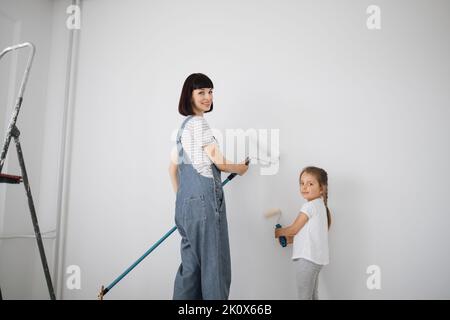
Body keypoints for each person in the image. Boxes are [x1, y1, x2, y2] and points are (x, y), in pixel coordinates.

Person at [169, 73, 249, 300]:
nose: (207, 97)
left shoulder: (182, 130)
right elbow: (220, 163)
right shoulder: (199, 124)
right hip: (205, 206)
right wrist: (241, 169)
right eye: (201, 92)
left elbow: (171, 170)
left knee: (190, 271)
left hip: (185, 209)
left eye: (210, 91)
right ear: (190, 95)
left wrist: (185, 202)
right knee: (215, 269)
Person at [275, 166, 331, 300]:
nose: (305, 187)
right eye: (302, 183)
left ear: (321, 188)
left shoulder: (309, 206)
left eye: (310, 184)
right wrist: (290, 240)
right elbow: (308, 234)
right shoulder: (321, 207)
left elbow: (294, 229)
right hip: (316, 259)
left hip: (307, 258)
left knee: (304, 296)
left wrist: (278, 232)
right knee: (312, 295)